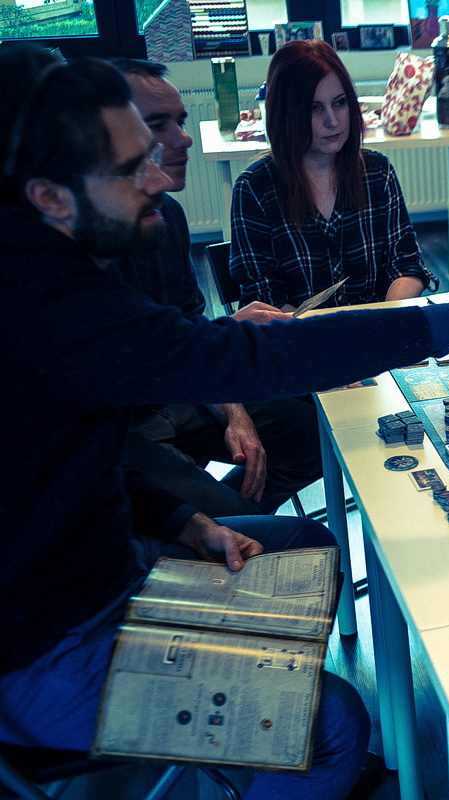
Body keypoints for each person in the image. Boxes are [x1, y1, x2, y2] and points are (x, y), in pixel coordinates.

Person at [0, 44, 449, 799]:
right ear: (50, 197)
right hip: (46, 649)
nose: (157, 175)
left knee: (309, 548)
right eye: (130, 167)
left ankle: (249, 724)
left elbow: (86, 458)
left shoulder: (47, 269)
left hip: (111, 568)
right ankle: (264, 733)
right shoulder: (45, 305)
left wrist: (186, 521)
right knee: (335, 724)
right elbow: (248, 357)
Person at [112, 58, 323, 516]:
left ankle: (235, 516)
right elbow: (134, 361)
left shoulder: (168, 214)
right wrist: (219, 335)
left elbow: (189, 327)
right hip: (124, 426)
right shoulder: (74, 244)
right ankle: (224, 524)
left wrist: (236, 412)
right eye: (158, 125)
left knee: (315, 436)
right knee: (250, 531)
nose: (184, 138)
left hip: (179, 396)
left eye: (181, 121)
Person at [231, 40, 435, 312]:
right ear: (286, 113)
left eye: (339, 103)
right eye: (314, 108)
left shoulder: (377, 171)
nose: (333, 120)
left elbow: (406, 265)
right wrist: (328, 332)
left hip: (378, 326)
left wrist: (386, 320)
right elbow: (265, 296)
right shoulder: (255, 188)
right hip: (299, 333)